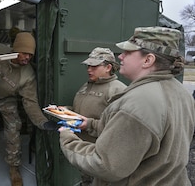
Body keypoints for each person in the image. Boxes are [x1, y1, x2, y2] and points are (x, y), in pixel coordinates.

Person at [58, 26, 195, 186]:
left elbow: (104, 164)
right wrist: (90, 124)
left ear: (148, 60)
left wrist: (66, 136)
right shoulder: (180, 92)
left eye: (128, 52)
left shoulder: (138, 102)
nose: (121, 56)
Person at [0, 32, 58, 185]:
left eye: (30, 55)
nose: (27, 58)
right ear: (15, 49)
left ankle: (13, 168)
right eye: (24, 53)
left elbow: (30, 102)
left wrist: (43, 122)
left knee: (13, 132)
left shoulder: (28, 74)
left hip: (7, 100)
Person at [72, 47, 126, 185]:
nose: (89, 69)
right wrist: (64, 111)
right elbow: (82, 110)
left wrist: (89, 124)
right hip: (84, 149)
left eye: (94, 66)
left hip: (101, 155)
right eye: (88, 66)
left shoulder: (117, 90)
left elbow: (118, 127)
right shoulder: (87, 85)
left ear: (108, 67)